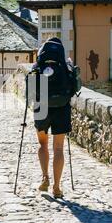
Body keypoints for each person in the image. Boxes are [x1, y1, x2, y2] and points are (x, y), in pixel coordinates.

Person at [31, 38, 75, 199]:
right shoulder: (66, 65)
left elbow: (30, 87)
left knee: (43, 144)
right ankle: (57, 187)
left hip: (41, 107)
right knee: (58, 148)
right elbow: (75, 87)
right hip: (62, 106)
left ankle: (45, 178)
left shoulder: (37, 66)